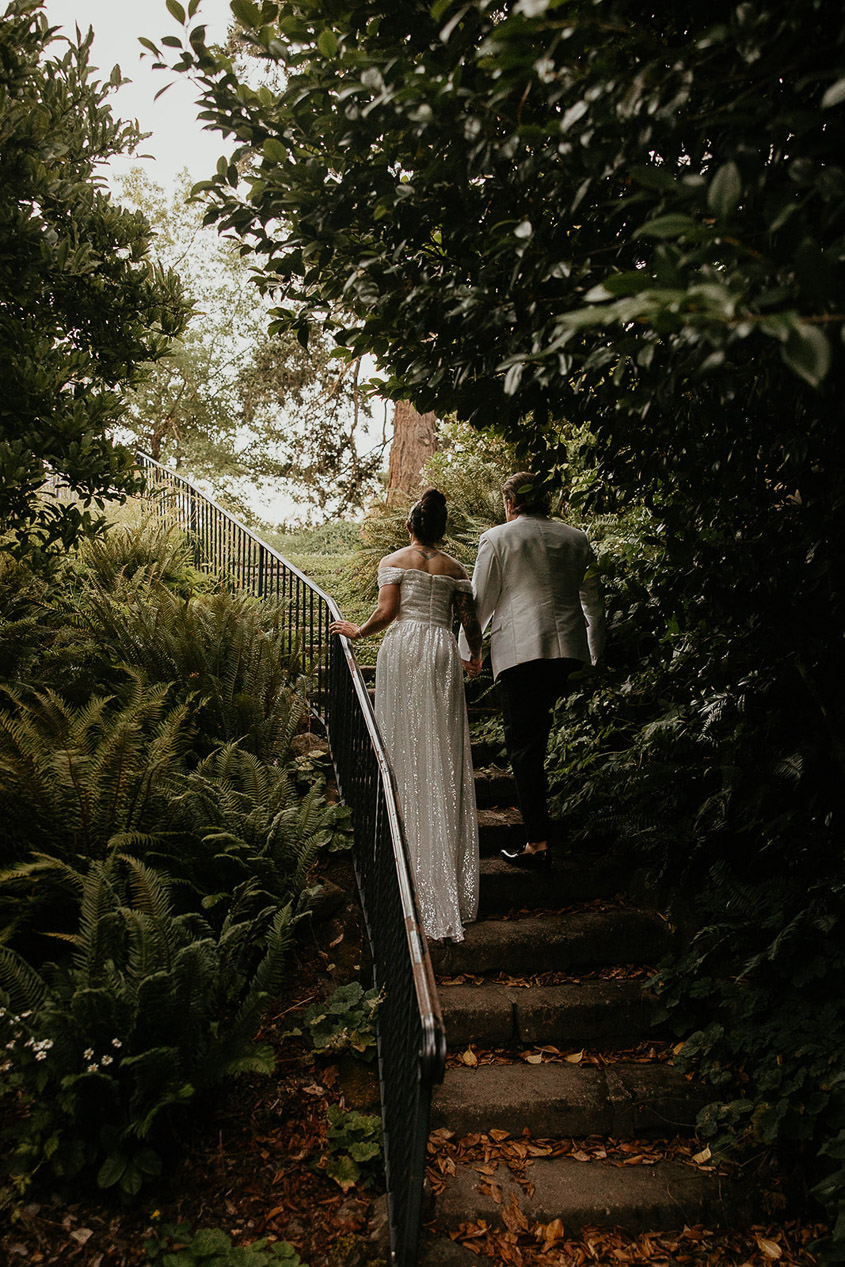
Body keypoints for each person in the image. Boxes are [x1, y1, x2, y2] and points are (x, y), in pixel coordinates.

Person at [329, 489, 483, 942]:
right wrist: (473, 656)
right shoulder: (456, 569)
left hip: (403, 648)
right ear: (441, 529)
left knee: (400, 740)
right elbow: (469, 622)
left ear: (410, 526)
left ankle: (402, 855)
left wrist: (358, 630)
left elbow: (388, 611)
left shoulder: (394, 560)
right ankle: (441, 868)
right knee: (441, 744)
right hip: (439, 649)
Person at [458, 472, 605, 870]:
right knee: (541, 742)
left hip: (522, 654)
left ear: (510, 503)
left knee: (525, 748)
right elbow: (593, 601)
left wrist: (468, 652)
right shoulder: (577, 538)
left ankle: (537, 844)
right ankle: (553, 829)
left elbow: (480, 603)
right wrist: (594, 654)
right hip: (569, 652)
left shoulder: (498, 538)